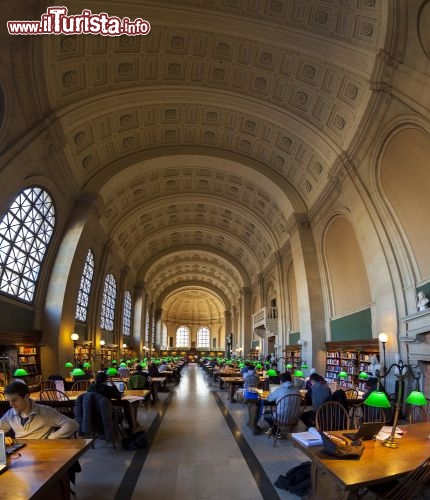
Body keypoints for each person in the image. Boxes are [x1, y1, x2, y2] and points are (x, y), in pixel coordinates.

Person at [0, 381, 78, 445]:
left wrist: (51, 439)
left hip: (41, 451)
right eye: (9, 401)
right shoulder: (10, 414)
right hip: (20, 452)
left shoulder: (45, 411)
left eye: (14, 400)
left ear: (26, 396)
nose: (11, 404)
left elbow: (72, 424)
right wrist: (2, 438)